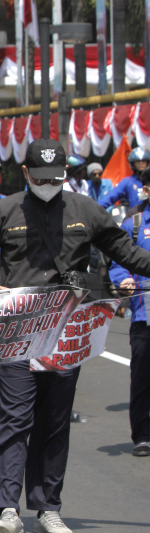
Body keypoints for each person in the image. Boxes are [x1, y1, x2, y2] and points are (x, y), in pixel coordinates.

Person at [0, 138, 150, 533]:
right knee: (14, 418)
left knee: (55, 420)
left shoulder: (86, 210)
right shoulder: (5, 210)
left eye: (56, 177)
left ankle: (48, 507)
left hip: (66, 331)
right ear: (25, 173)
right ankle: (7, 507)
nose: (49, 183)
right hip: (18, 330)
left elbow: (126, 251)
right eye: (41, 176)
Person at [108, 167, 150, 458]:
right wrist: (123, 280)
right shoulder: (133, 223)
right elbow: (118, 261)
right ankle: (143, 435)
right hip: (144, 313)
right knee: (143, 377)